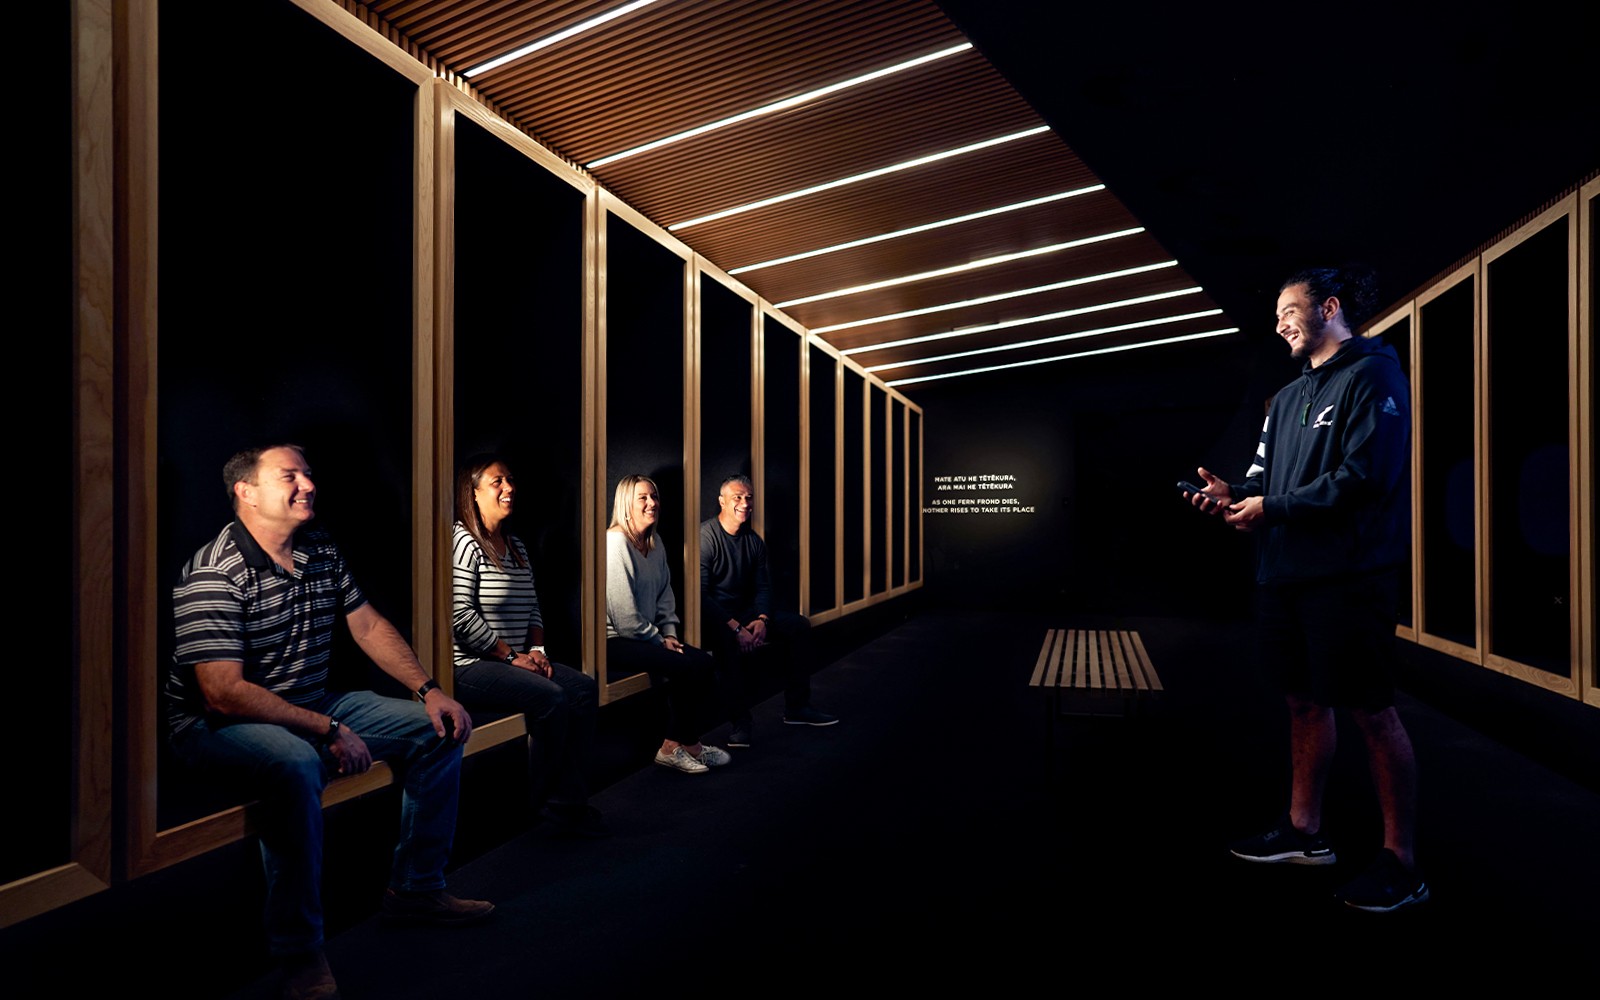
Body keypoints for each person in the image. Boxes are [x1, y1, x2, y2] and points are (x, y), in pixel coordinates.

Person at [167, 444, 493, 1000]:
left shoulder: (319, 548)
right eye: (288, 476)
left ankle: (416, 888)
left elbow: (366, 627)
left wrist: (430, 690)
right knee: (295, 765)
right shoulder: (213, 571)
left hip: (313, 701)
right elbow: (221, 694)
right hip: (216, 726)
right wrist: (327, 731)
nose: (307, 484)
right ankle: (299, 953)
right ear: (245, 492)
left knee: (440, 726)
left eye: (309, 474)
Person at [1186, 267, 1425, 912]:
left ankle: (1401, 862)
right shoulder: (1287, 398)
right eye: (1277, 316)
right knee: (1301, 704)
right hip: (1283, 577)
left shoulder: (1373, 377)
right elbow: (1264, 478)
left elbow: (1364, 478)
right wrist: (1232, 498)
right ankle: (1304, 834)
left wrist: (1273, 508)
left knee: (1372, 711)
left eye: (1291, 310)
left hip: (1348, 580)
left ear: (1331, 308)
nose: (1281, 323)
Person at [451, 455, 605, 837]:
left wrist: (537, 652)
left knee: (583, 689)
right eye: (497, 482)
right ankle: (536, 809)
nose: (509, 488)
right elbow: (460, 619)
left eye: (510, 480)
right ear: (472, 493)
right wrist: (510, 656)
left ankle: (569, 802)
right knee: (551, 698)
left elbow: (534, 606)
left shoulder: (516, 545)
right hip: (470, 666)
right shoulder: (463, 541)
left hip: (516, 660)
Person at [699, 474, 837, 747]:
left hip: (746, 612)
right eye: (737, 497)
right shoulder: (706, 538)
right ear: (722, 502)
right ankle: (741, 722)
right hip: (714, 616)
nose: (744, 503)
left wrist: (762, 620)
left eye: (749, 497)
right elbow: (699, 596)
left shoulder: (754, 541)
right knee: (727, 644)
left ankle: (797, 708)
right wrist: (735, 628)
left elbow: (764, 587)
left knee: (798, 625)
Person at [605, 473, 729, 775]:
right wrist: (660, 640)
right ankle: (671, 747)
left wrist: (670, 634)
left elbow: (665, 598)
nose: (652, 503)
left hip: (648, 637)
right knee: (689, 666)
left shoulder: (655, 542)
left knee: (703, 662)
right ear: (625, 504)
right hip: (615, 640)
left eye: (654, 497)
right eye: (643, 498)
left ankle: (687, 744)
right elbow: (623, 617)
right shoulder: (615, 542)